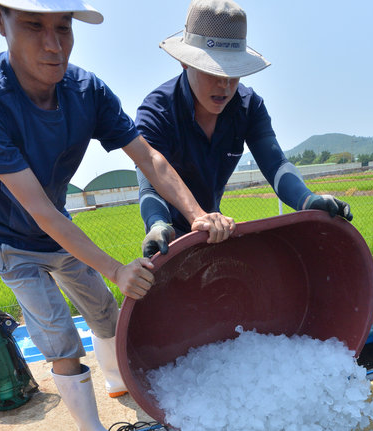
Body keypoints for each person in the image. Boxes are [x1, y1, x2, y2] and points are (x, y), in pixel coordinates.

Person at [0, 0, 235, 431]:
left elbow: (149, 158)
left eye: (64, 28)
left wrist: (196, 215)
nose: (53, 45)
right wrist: (115, 267)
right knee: (58, 335)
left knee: (105, 311)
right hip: (11, 237)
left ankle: (116, 382)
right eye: (34, 26)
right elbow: (39, 213)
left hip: (59, 227)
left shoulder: (86, 91)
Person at [135, 0, 353, 259]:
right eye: (212, 70)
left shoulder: (248, 107)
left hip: (211, 229)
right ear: (185, 62)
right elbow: (150, 184)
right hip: (169, 240)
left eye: (233, 73)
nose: (224, 85)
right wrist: (158, 224)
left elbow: (276, 166)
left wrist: (308, 201)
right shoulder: (157, 112)